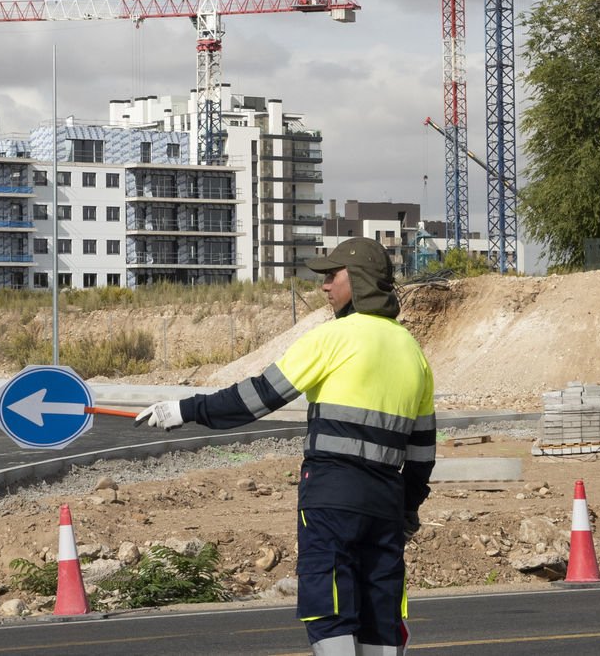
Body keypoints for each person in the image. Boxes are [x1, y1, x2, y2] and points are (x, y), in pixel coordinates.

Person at [136, 237, 435, 656]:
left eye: (333, 275)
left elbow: (257, 397)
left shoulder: (333, 337)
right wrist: (407, 510)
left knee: (329, 608)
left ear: (361, 279)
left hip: (332, 497)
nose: (324, 285)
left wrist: (185, 409)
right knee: (380, 613)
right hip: (386, 505)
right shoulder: (413, 351)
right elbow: (422, 451)